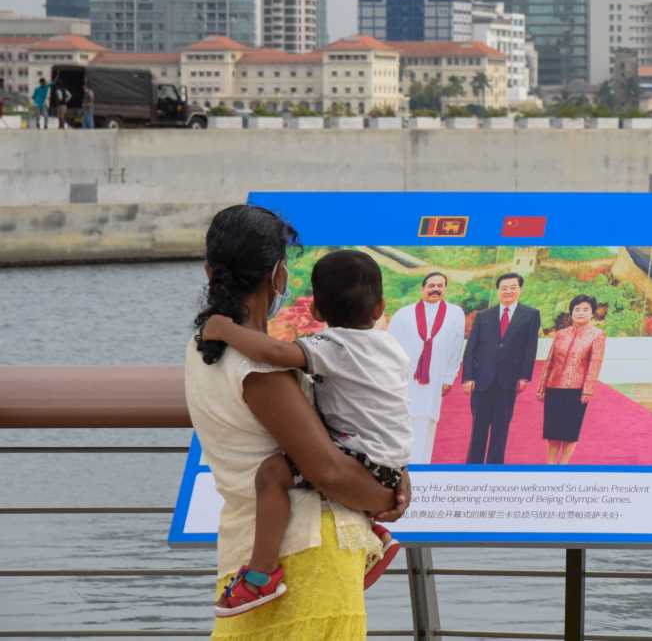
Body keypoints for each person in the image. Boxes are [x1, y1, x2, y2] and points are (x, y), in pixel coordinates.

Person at [184, 206, 407, 636]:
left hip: (247, 552)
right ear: (278, 277)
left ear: (210, 272)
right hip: (305, 560)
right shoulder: (261, 368)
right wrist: (387, 494)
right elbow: (327, 470)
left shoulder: (200, 346)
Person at [461, 272, 541, 464]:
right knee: (478, 427)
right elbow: (471, 348)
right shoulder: (483, 316)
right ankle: (473, 467)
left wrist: (524, 376)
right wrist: (468, 377)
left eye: (513, 287)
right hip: (482, 381)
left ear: (519, 289)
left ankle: (495, 467)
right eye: (504, 288)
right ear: (498, 291)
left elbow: (531, 348)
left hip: (509, 381)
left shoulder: (530, 315)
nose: (508, 291)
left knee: (501, 428)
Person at [388, 272, 467, 464]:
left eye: (440, 285)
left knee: (427, 420)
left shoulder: (455, 313)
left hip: (435, 378)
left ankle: (421, 464)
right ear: (423, 288)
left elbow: (456, 348)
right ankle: (399, 463)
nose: (436, 289)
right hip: (405, 378)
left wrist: (449, 378)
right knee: (403, 418)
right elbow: (390, 346)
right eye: (431, 285)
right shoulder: (403, 314)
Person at [537, 294, 609, 464]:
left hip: (577, 389)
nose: (581, 313)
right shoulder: (561, 334)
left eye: (585, 310)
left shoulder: (597, 335)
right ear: (571, 313)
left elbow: (595, 363)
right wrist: (541, 387)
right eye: (577, 309)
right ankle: (550, 465)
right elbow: (549, 361)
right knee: (552, 431)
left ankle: (563, 466)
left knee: (570, 432)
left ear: (592, 313)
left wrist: (588, 390)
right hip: (554, 387)